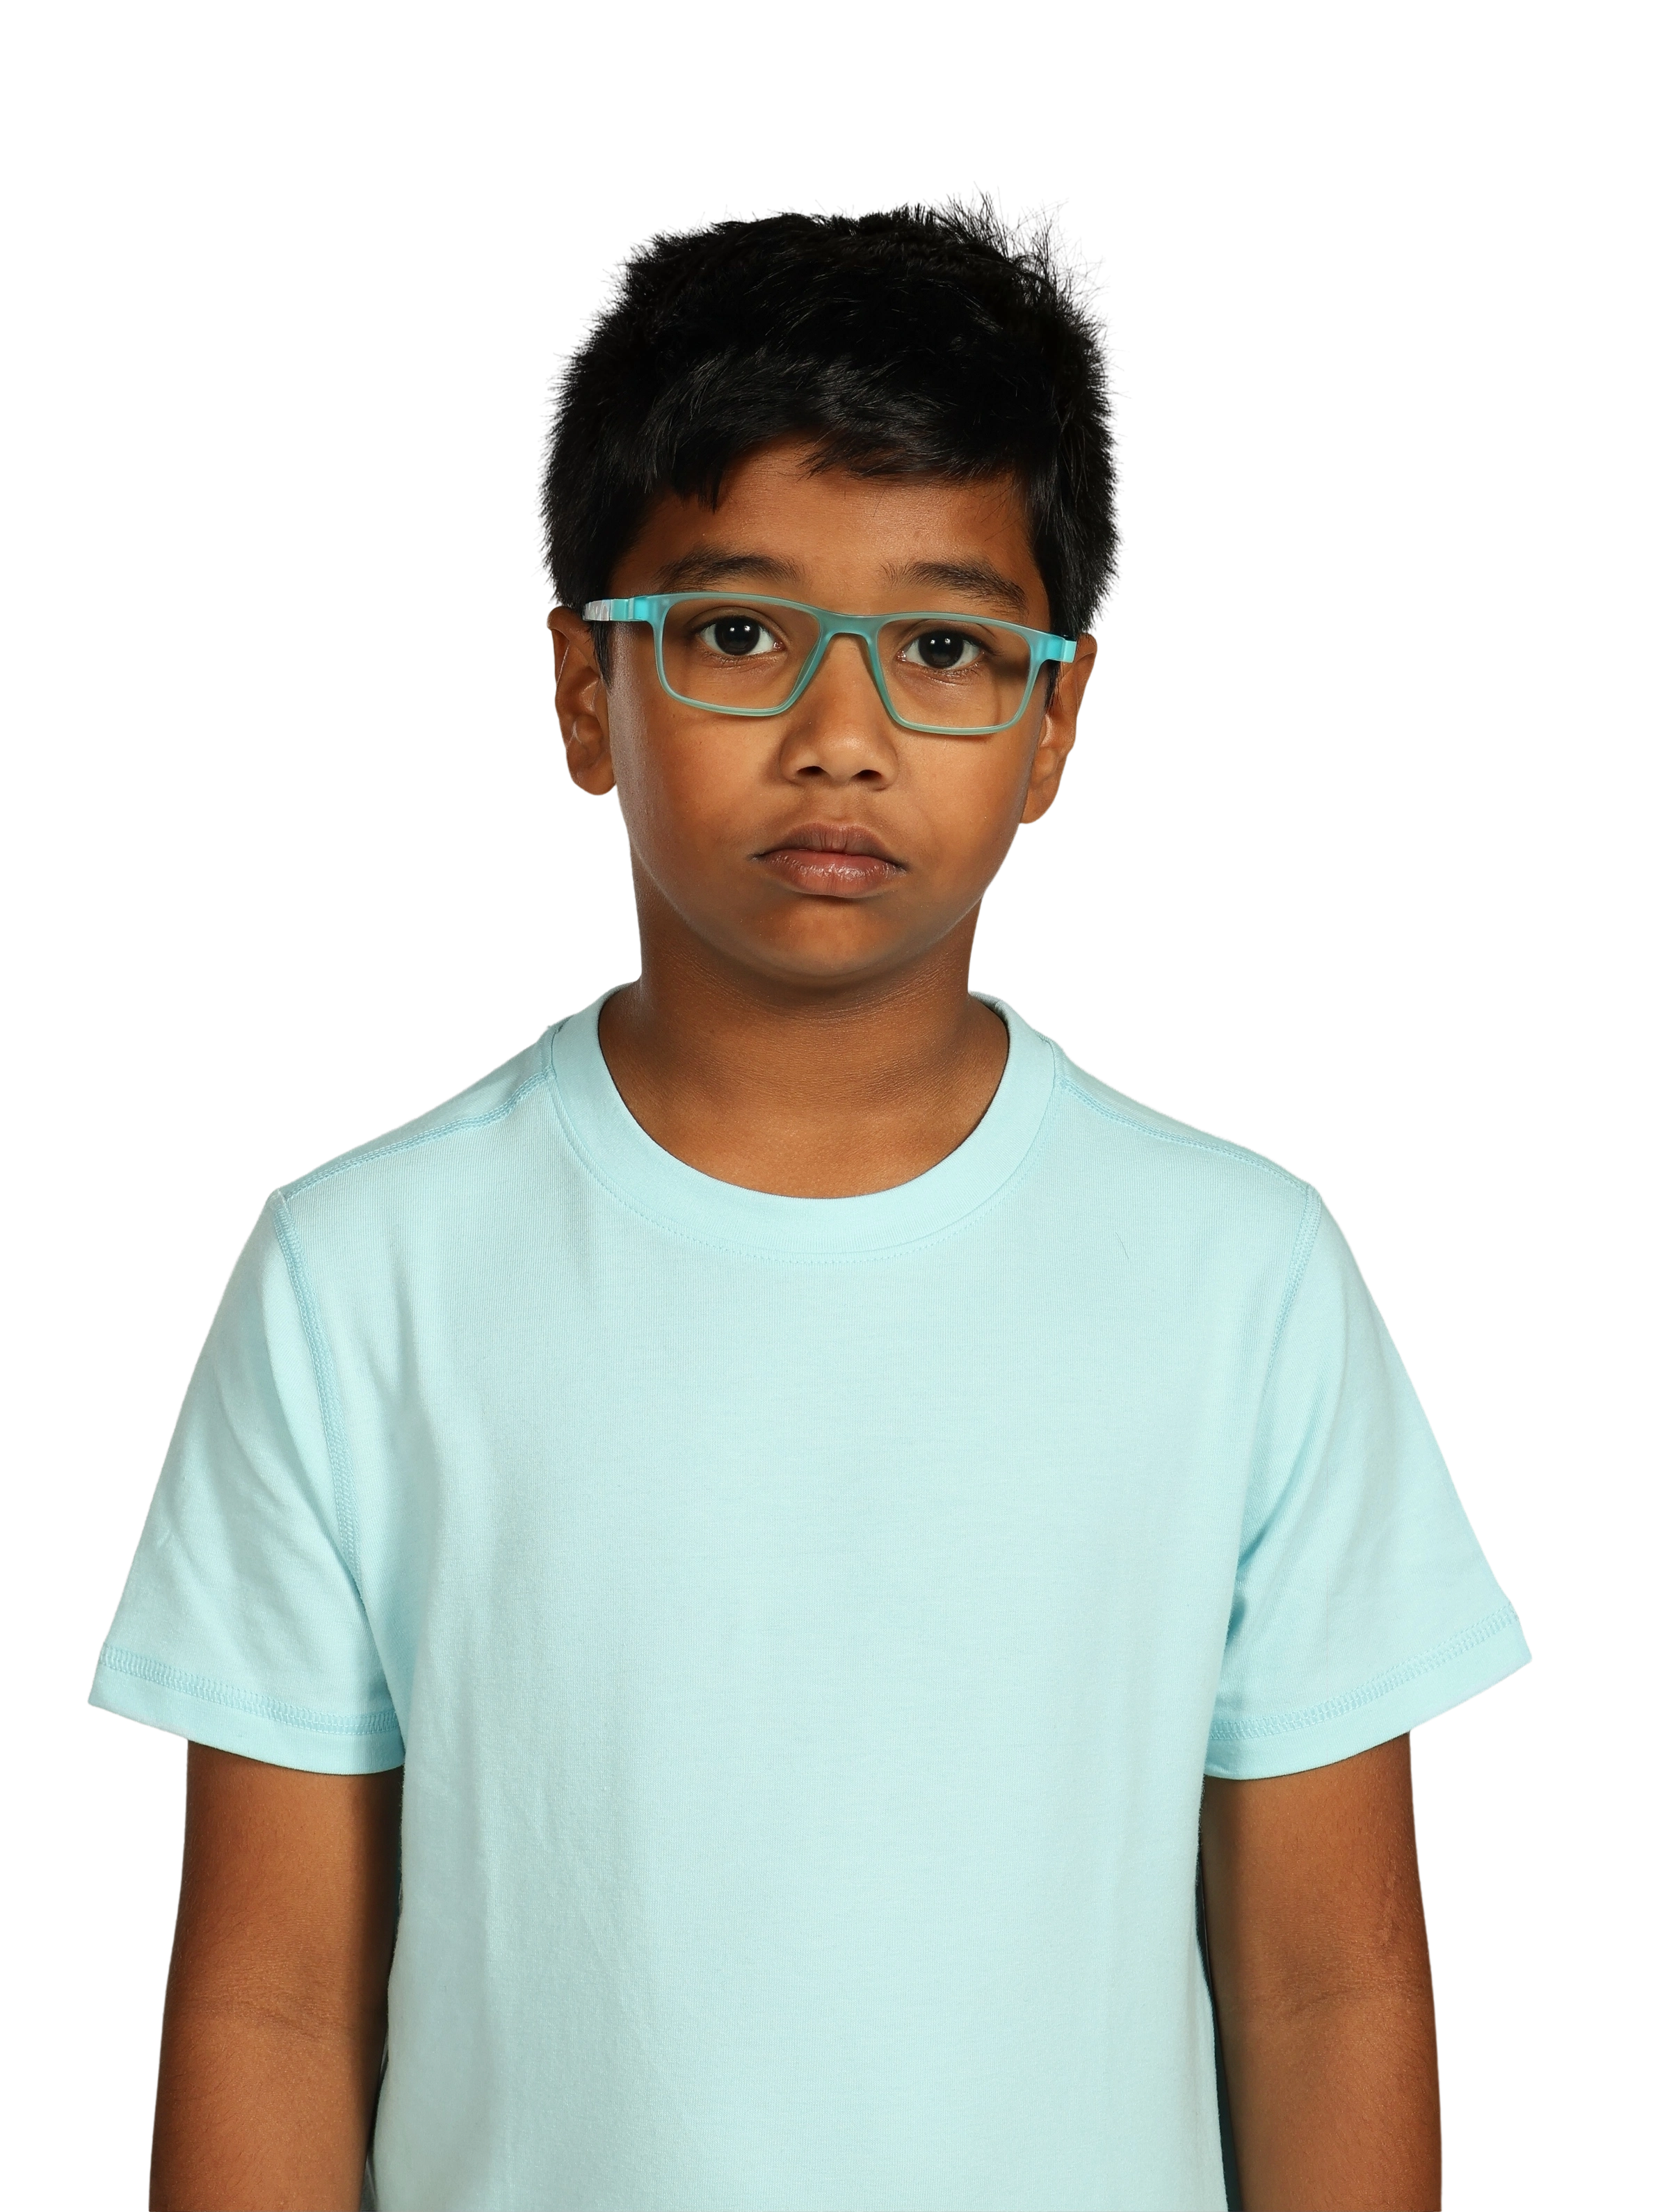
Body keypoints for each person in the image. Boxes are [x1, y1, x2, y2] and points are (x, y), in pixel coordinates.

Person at [88, 188, 1531, 2212]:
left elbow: (1326, 1985)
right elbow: (274, 2001)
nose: (840, 737)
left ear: (1056, 724)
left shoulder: (1237, 1283)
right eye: (740, 633)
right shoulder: (365, 1280)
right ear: (585, 690)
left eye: (944, 646)